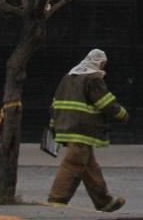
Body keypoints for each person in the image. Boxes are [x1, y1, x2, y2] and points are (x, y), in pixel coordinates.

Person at [47, 49, 129, 212]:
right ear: (99, 62)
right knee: (73, 163)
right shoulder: (93, 79)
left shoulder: (69, 76)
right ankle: (56, 199)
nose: (104, 67)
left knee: (90, 168)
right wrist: (122, 114)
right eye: (103, 64)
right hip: (81, 129)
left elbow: (55, 102)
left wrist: (53, 125)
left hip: (65, 125)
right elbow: (104, 102)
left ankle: (104, 202)